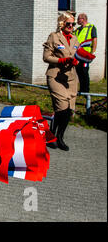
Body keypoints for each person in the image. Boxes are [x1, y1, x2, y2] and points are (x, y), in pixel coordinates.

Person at [43, 12, 80, 151]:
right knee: (62, 107)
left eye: (73, 24)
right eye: (68, 23)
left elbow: (77, 54)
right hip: (56, 76)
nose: (71, 26)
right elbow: (46, 57)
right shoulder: (54, 36)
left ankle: (58, 137)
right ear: (62, 23)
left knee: (68, 110)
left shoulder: (75, 39)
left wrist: (79, 60)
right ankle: (53, 136)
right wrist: (61, 60)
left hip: (70, 78)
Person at [74, 13, 97, 93]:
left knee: (84, 71)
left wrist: (93, 52)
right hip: (78, 54)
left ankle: (86, 91)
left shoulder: (91, 27)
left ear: (83, 19)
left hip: (86, 55)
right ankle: (82, 89)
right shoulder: (77, 30)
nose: (77, 21)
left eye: (78, 19)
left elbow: (94, 40)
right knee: (79, 71)